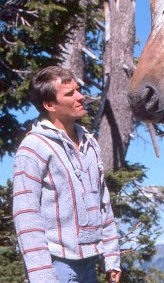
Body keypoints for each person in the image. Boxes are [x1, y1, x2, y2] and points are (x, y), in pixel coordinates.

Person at [12, 66, 121, 283]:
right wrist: (42, 276)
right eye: (70, 94)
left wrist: (111, 256)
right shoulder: (33, 148)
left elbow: (103, 204)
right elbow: (26, 215)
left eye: (78, 90)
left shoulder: (89, 144)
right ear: (49, 105)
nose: (81, 97)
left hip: (90, 263)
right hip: (55, 266)